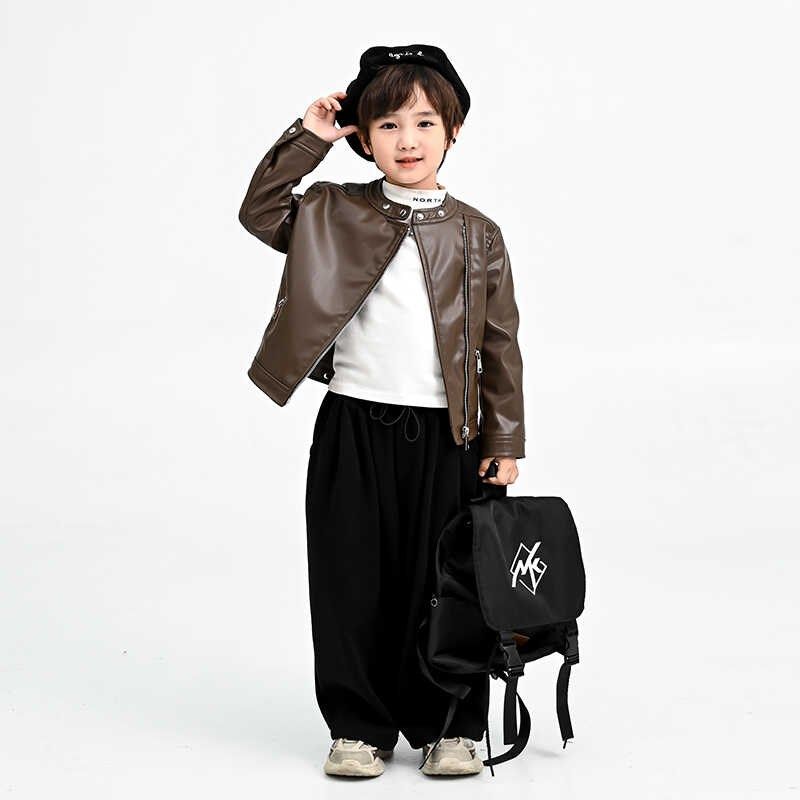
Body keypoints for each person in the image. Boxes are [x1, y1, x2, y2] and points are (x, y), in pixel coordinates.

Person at [238, 44, 526, 778]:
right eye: (388, 124)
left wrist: (504, 439)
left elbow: (499, 345)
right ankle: (358, 727)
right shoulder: (329, 211)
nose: (408, 140)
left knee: (449, 584)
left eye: (425, 122)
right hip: (355, 426)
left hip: (450, 436)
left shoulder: (478, 234)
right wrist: (309, 137)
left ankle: (449, 726)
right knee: (351, 580)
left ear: (453, 131)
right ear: (363, 138)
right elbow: (259, 210)